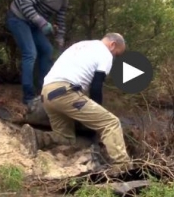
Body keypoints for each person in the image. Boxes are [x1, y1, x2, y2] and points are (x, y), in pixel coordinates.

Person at [19, 33, 131, 167]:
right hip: (65, 92)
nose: (114, 57)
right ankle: (123, 166)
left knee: (66, 138)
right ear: (113, 45)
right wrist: (95, 117)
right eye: (116, 54)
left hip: (46, 93)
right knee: (111, 123)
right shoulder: (105, 53)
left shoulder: (80, 45)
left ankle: (37, 137)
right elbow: (96, 87)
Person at [6, 0, 84, 106]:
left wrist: (60, 43)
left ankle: (42, 92)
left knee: (48, 52)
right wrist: (41, 22)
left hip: (33, 24)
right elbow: (25, 4)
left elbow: (61, 21)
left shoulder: (64, 0)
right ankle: (28, 98)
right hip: (18, 18)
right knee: (30, 53)